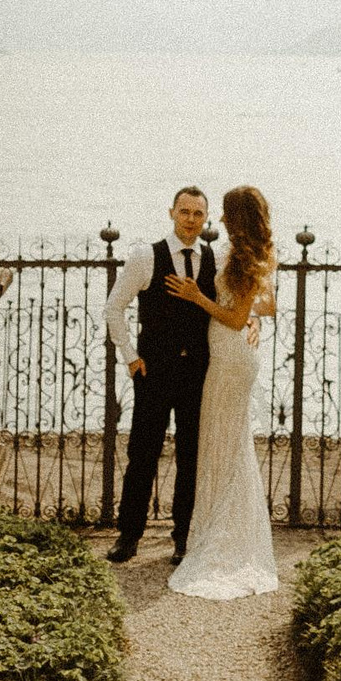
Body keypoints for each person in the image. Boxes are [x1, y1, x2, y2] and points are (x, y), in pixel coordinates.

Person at [162, 184, 280, 600]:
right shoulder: (252, 252)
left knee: (223, 442)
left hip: (230, 357)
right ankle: (212, 525)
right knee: (224, 441)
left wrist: (197, 298)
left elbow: (233, 317)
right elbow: (266, 307)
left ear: (237, 216)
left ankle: (219, 531)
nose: (220, 220)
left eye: (226, 213)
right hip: (230, 355)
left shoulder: (241, 256)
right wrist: (254, 319)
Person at [103, 186, 216, 563]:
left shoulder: (212, 258)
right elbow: (114, 309)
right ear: (171, 213)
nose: (190, 220)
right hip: (154, 371)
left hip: (196, 373)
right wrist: (132, 358)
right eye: (184, 212)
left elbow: (227, 308)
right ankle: (128, 535)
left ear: (206, 218)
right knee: (143, 453)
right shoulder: (145, 256)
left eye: (198, 214)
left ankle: (183, 537)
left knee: (191, 456)